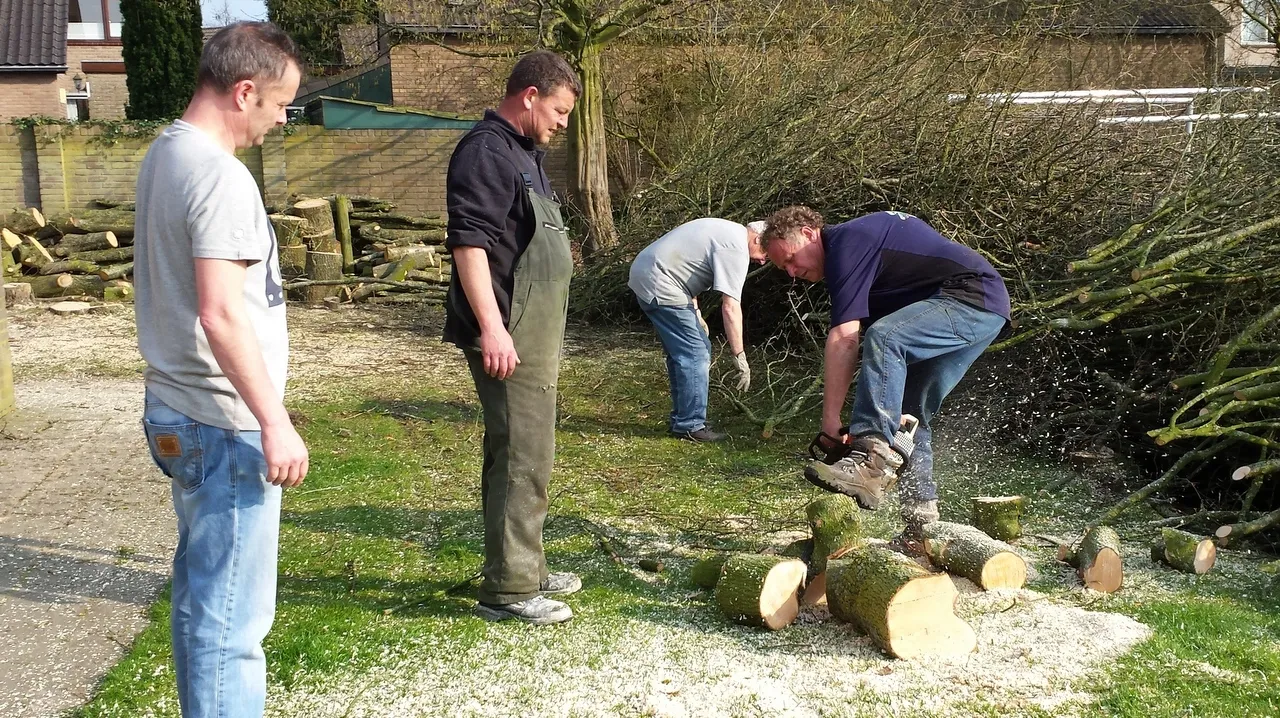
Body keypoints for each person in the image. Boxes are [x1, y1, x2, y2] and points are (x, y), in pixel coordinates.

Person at [133, 22, 304, 718]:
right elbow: (220, 314)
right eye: (280, 103)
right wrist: (274, 421)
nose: (283, 118)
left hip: (175, 411)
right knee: (232, 624)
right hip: (221, 422)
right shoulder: (219, 176)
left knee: (203, 601)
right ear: (244, 92)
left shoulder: (164, 154)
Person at [762, 207, 1010, 543]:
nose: (791, 273)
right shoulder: (853, 258)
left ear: (808, 233)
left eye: (790, 259)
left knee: (887, 335)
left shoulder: (848, 242)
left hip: (970, 296)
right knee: (908, 415)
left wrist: (832, 422)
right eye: (784, 269)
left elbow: (844, 338)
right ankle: (922, 524)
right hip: (982, 308)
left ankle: (870, 460)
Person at [442, 50, 582, 625]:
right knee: (522, 455)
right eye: (558, 110)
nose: (562, 124)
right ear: (529, 96)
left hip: (533, 330)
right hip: (509, 331)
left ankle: (523, 565)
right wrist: (494, 329)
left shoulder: (523, 152)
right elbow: (469, 246)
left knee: (522, 452)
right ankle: (510, 590)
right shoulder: (484, 151)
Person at [628, 218, 768, 442]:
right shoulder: (736, 247)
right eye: (766, 253)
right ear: (758, 238)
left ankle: (682, 419)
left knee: (681, 354)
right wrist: (739, 355)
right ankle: (689, 425)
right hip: (661, 282)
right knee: (695, 351)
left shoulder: (725, 230)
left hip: (648, 274)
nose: (763, 261)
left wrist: (695, 311)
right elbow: (731, 307)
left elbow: (686, 264)